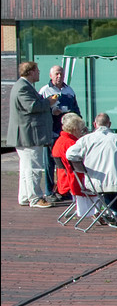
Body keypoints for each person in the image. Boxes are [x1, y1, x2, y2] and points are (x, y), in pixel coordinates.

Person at [65, 112, 117, 228]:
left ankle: (114, 212)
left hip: (94, 182)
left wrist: (82, 161)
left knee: (107, 190)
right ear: (109, 124)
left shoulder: (86, 139)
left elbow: (70, 154)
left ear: (94, 124)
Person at [8, 61, 55, 208]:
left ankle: (24, 197)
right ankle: (35, 198)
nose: (39, 72)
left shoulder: (23, 86)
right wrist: (48, 102)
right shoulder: (23, 87)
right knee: (33, 167)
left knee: (26, 168)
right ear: (30, 72)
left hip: (25, 134)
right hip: (28, 135)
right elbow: (31, 106)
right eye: (37, 70)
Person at [51, 112, 87, 210]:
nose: (82, 132)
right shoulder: (71, 144)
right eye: (81, 129)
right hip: (75, 180)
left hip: (64, 179)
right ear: (75, 129)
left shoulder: (60, 140)